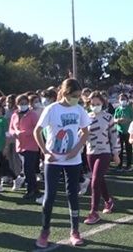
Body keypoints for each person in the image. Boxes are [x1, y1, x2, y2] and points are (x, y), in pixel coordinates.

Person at [34, 78, 90, 248]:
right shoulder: (52, 109)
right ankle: (45, 231)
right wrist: (45, 152)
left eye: (79, 96)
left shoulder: (80, 110)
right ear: (65, 93)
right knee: (49, 196)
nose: (77, 99)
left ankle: (75, 231)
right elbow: (37, 131)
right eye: (74, 95)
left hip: (73, 161)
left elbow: (85, 131)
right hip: (53, 160)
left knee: (72, 194)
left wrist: (77, 149)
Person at [84, 91, 121, 225]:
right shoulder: (86, 117)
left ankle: (94, 212)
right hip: (90, 152)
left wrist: (116, 153)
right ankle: (108, 201)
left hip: (104, 152)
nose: (95, 106)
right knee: (99, 179)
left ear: (102, 103)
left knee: (94, 181)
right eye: (92, 104)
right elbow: (81, 135)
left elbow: (114, 136)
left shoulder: (108, 117)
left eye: (98, 104)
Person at [9, 95, 41, 200]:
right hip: (20, 145)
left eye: (25, 103)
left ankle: (30, 189)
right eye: (20, 103)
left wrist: (24, 133)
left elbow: (37, 129)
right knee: (27, 168)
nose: (23, 105)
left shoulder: (33, 114)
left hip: (31, 145)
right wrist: (15, 133)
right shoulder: (15, 114)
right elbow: (11, 128)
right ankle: (35, 187)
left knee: (28, 169)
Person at [114, 93, 133, 171]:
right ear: (119, 101)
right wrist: (118, 121)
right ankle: (119, 165)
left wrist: (127, 120)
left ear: (127, 100)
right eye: (121, 99)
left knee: (128, 149)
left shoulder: (130, 108)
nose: (123, 101)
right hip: (119, 131)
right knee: (120, 149)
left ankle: (128, 165)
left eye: (124, 99)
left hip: (128, 131)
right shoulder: (117, 109)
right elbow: (114, 119)